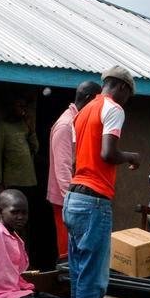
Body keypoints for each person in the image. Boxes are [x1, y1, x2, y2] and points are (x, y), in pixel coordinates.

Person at [63, 66, 141, 298]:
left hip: (73, 198)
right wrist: (130, 156)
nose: (126, 101)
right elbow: (108, 153)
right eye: (128, 95)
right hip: (93, 201)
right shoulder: (114, 109)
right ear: (122, 87)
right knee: (94, 278)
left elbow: (76, 160)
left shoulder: (83, 111)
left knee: (79, 272)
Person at [47, 81, 102, 259]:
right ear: (89, 99)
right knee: (68, 252)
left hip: (77, 198)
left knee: (80, 250)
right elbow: (62, 168)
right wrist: (72, 202)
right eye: (97, 102)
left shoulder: (78, 121)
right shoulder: (65, 125)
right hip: (67, 201)